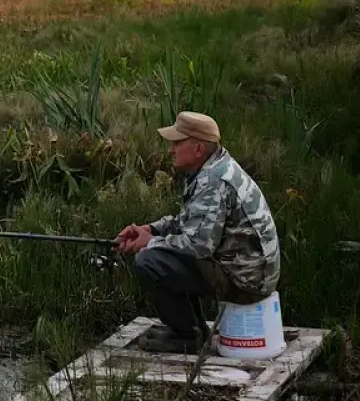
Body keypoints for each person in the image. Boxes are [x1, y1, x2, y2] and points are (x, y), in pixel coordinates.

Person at [114, 111, 281, 353]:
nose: (170, 150)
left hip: (247, 281)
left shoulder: (213, 181)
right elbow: (189, 222)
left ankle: (188, 336)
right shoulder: (212, 169)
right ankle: (193, 329)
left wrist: (150, 243)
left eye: (177, 143)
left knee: (150, 261)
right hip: (249, 270)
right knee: (162, 252)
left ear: (198, 149)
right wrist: (150, 229)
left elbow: (199, 246)